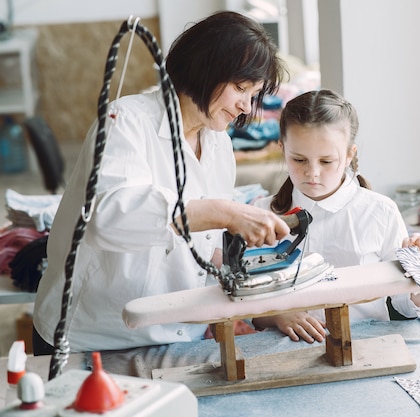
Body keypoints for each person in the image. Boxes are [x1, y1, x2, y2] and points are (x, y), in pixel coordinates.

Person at [32, 11, 291, 354]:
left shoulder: (218, 144)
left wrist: (269, 301)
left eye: (253, 94)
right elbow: (110, 218)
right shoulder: (126, 122)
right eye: (241, 89)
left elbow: (199, 248)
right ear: (204, 69)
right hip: (93, 337)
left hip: (178, 334)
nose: (245, 106)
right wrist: (224, 213)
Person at [252, 89, 420, 343]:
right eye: (299, 159)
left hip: (364, 346)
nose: (312, 173)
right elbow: (246, 302)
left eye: (326, 161)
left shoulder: (380, 211)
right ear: (282, 148)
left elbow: (407, 308)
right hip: (283, 348)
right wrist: (278, 315)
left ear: (349, 154)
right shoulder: (262, 213)